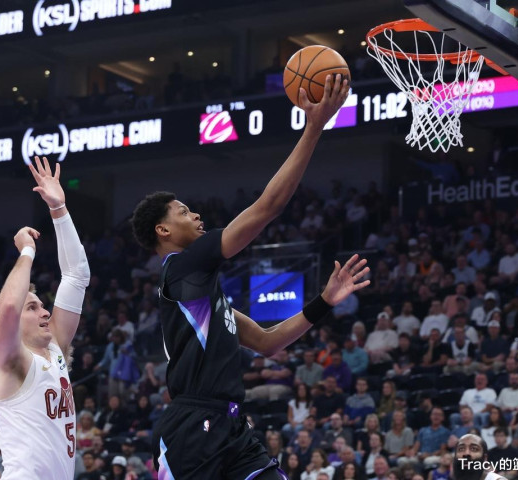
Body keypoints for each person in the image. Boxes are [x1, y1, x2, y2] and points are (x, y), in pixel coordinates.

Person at [131, 74, 358, 480]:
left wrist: (324, 301)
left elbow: (269, 343)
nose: (196, 215)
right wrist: (314, 127)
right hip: (192, 431)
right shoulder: (183, 266)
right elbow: (268, 206)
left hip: (232, 427)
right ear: (162, 230)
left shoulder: (202, 297)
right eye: (184, 212)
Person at [0, 157, 90, 479]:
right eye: (32, 307)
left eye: (42, 305)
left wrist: (59, 209)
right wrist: (26, 251)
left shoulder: (54, 349)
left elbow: (76, 275)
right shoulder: (9, 359)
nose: (46, 311)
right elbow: (8, 307)